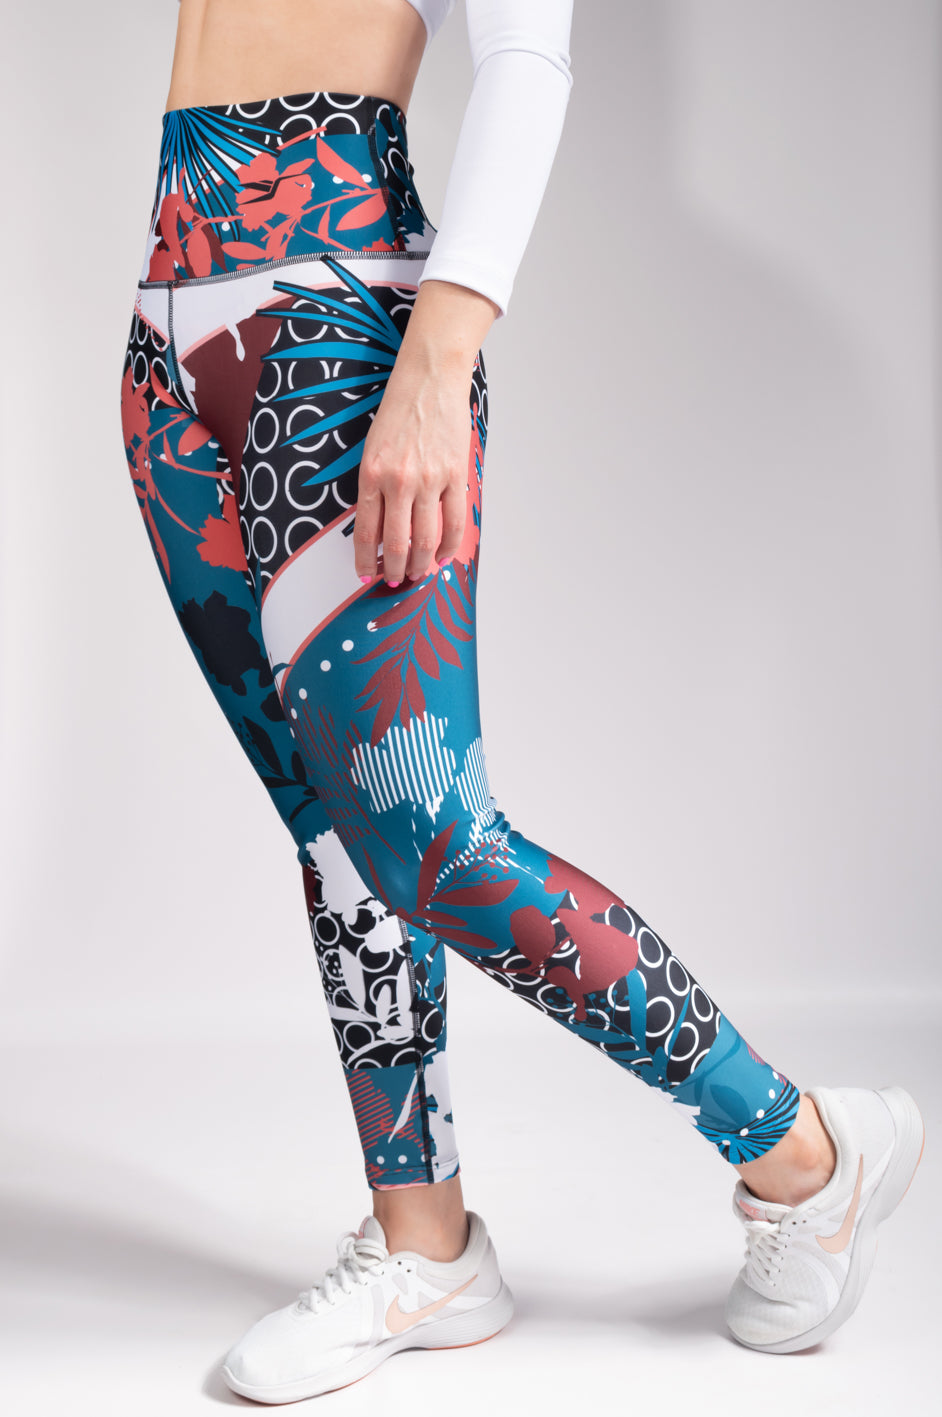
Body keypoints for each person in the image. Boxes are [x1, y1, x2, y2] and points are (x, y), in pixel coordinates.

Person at [120, 0, 924, 1402]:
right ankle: (424, 1246)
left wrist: (437, 364)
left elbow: (526, 57)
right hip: (168, 320)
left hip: (337, 324)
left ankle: (800, 1149)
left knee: (430, 833)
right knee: (334, 830)